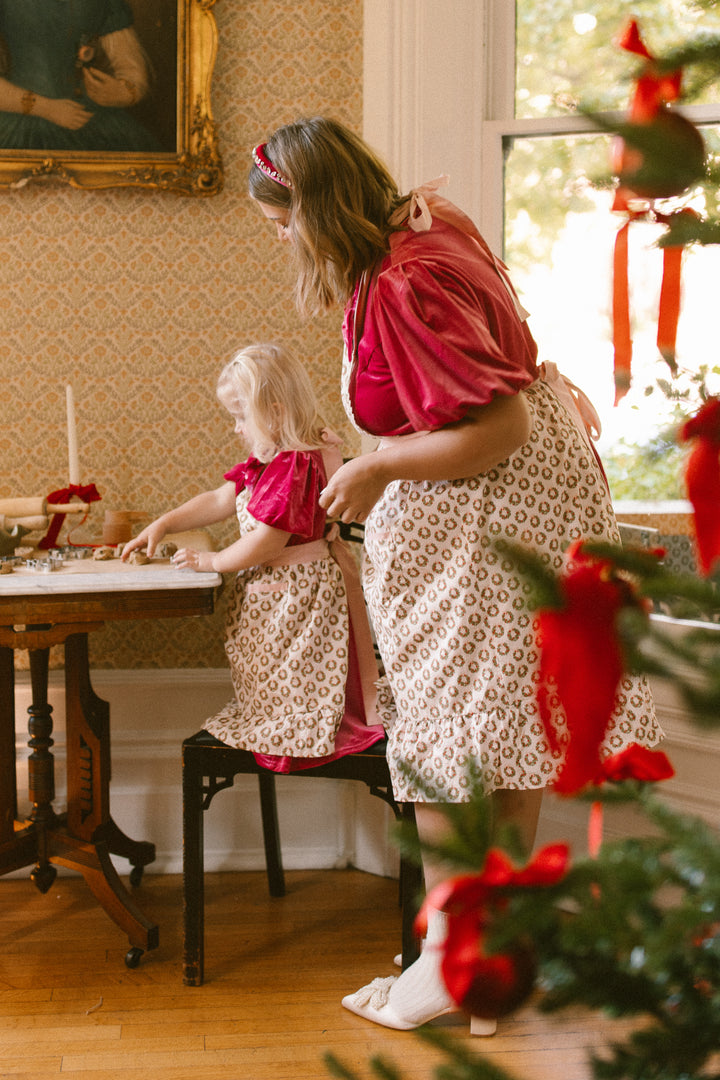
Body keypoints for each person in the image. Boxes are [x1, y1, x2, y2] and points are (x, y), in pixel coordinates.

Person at [247, 117, 662, 1034]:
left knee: (443, 734)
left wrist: (374, 467)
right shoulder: (431, 221)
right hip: (531, 502)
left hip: (489, 507)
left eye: (283, 219)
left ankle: (445, 961)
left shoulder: (403, 281)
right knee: (502, 725)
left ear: (317, 208)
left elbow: (497, 427)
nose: (281, 238)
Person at [121, 343, 387, 773]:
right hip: (278, 596)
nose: (237, 428)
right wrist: (166, 522)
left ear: (276, 412)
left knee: (300, 671)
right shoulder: (271, 460)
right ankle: (273, 713)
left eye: (241, 416)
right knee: (270, 672)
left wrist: (211, 562)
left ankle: (297, 726)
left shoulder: (297, 464)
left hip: (298, 599)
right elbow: (221, 497)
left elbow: (268, 541)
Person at [0, 0, 161, 152]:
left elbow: (132, 70)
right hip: (21, 116)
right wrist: (46, 108)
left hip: (88, 118)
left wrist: (121, 92)